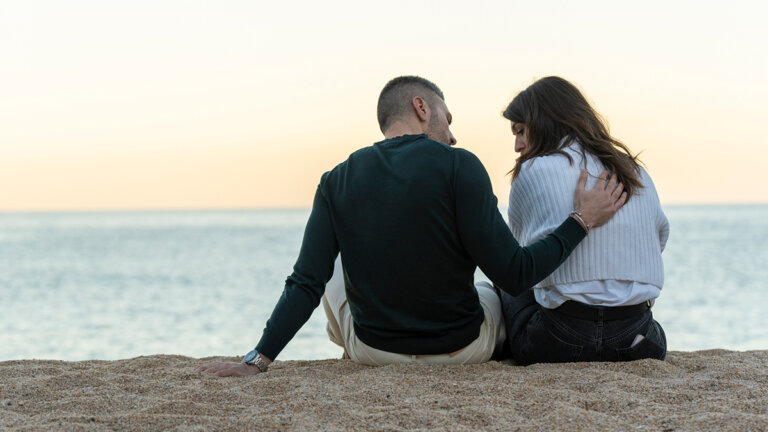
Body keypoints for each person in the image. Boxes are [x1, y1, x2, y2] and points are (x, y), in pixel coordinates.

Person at [196, 76, 625, 377]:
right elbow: (516, 274)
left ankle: (351, 344)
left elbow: (305, 282)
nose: (452, 136)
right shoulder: (461, 166)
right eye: (447, 119)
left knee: (331, 273)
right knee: (490, 292)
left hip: (374, 351)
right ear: (422, 108)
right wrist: (581, 220)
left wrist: (258, 359)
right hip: (462, 351)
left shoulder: (336, 179)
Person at [499, 76, 669, 365]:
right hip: (633, 335)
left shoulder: (532, 169)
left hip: (559, 338)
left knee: (507, 278)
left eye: (521, 131)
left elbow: (520, 255)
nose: (517, 145)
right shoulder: (635, 171)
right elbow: (659, 239)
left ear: (544, 122)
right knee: (652, 328)